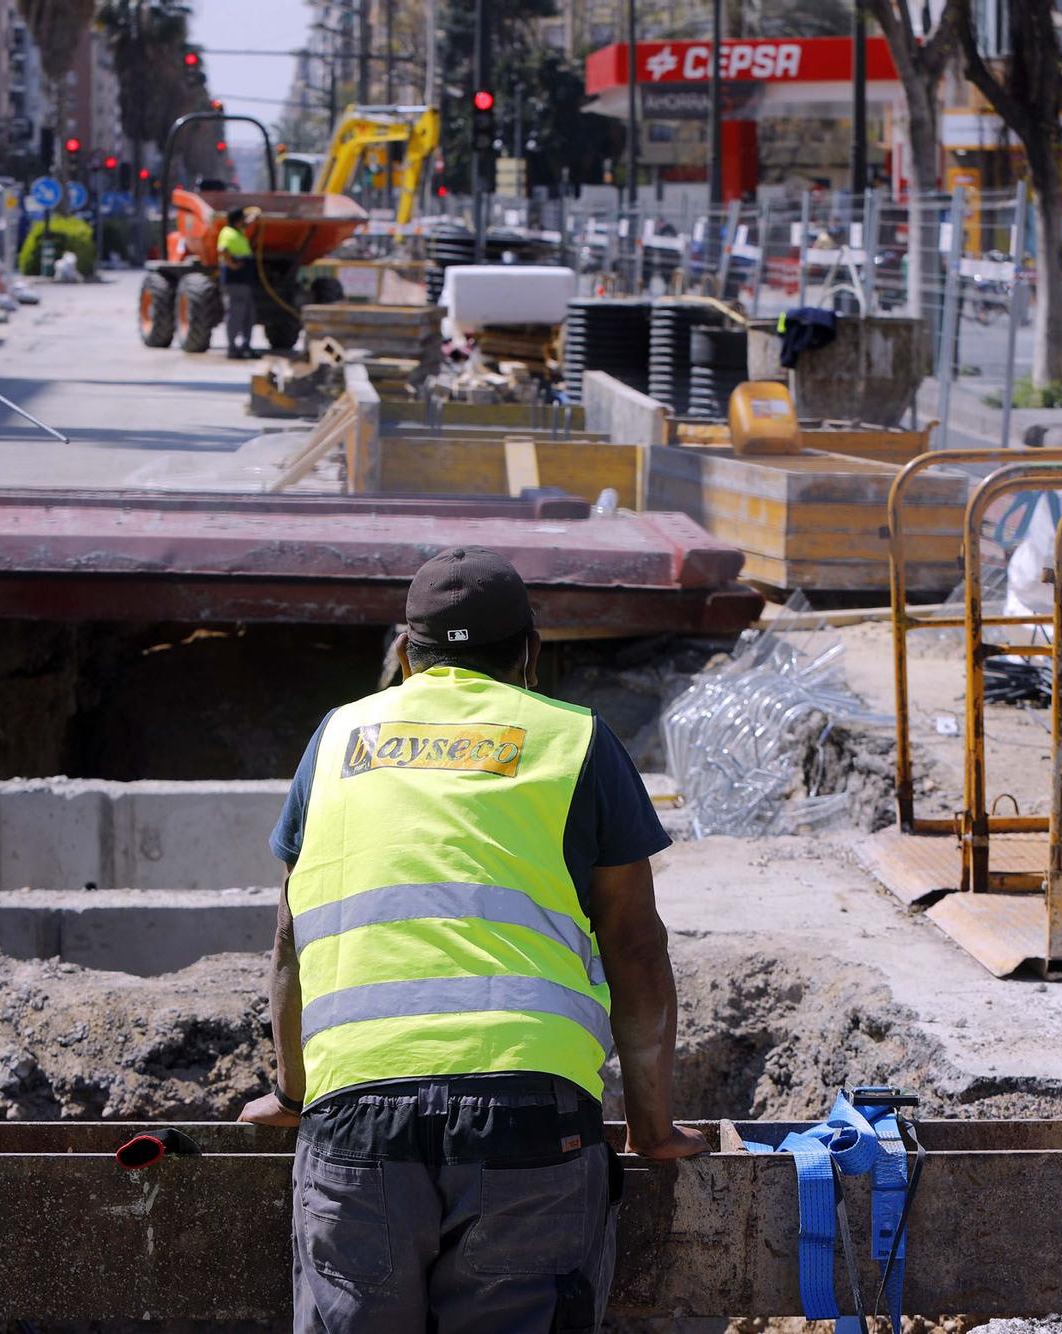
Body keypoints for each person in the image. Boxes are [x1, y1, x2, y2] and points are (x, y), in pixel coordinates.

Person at [240, 546, 708, 1333]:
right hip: (529, 1116)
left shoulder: (337, 738)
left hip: (357, 1115)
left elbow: (290, 939)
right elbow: (635, 948)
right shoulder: (575, 740)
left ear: (402, 652)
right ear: (530, 652)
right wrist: (653, 1130)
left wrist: (292, 1093)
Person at [216, 204, 260, 358]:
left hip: (245, 281)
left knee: (248, 315)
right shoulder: (228, 233)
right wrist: (232, 265)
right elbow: (222, 251)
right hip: (235, 281)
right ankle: (232, 347)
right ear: (236, 220)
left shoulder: (238, 232)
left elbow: (247, 224)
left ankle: (246, 345)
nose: (244, 222)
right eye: (242, 219)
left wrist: (254, 215)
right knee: (236, 315)